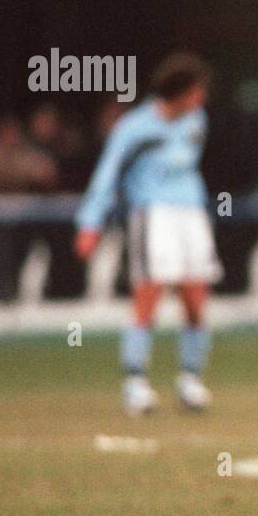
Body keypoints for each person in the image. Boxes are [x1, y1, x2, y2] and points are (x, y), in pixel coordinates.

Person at [74, 52, 220, 417]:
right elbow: (107, 175)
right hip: (153, 215)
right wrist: (91, 221)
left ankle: (190, 380)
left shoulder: (197, 122)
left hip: (192, 213)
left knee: (195, 297)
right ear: (180, 92)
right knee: (148, 296)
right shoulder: (134, 128)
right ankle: (135, 384)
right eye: (196, 91)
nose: (201, 98)